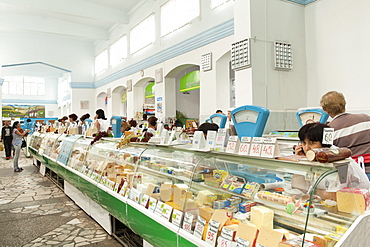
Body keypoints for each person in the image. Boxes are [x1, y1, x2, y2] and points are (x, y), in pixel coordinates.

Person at [294, 123, 369, 193]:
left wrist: (312, 191)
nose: (307, 148)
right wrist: (300, 162)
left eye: (312, 143)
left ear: (324, 144)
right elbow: (299, 188)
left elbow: (333, 195)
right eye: (303, 143)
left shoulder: (337, 160)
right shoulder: (314, 158)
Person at [320, 91, 370, 178]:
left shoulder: (328, 130)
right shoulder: (366, 118)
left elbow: (326, 154)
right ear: (344, 103)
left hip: (352, 175)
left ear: (326, 111)